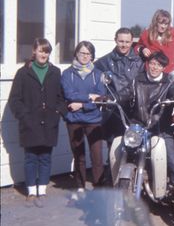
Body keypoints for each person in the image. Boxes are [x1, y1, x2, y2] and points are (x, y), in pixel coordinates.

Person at [121, 51, 174, 211]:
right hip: (139, 126)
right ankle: (120, 187)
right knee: (122, 152)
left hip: (160, 128)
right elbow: (125, 93)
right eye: (152, 63)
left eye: (159, 65)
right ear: (147, 63)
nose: (155, 67)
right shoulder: (138, 79)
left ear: (164, 67)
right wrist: (111, 98)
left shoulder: (168, 82)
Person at [8, 38, 66, 207]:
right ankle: (31, 192)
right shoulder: (23, 73)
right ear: (34, 51)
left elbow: (60, 98)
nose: (43, 54)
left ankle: (42, 191)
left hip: (49, 123)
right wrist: (24, 116)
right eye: (41, 51)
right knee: (31, 158)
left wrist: (57, 112)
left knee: (46, 158)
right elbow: (15, 100)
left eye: (46, 51)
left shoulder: (55, 72)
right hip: (30, 124)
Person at [61, 41, 107, 201]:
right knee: (79, 155)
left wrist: (81, 104)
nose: (85, 56)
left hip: (94, 119)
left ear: (92, 56)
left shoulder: (98, 74)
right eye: (82, 53)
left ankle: (99, 188)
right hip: (74, 120)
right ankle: (80, 186)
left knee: (97, 157)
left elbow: (101, 97)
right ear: (76, 54)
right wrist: (89, 97)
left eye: (88, 54)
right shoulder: (67, 74)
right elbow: (69, 95)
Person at [95, 27, 144, 144]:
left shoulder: (139, 62)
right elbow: (92, 81)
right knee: (113, 148)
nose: (124, 45)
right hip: (113, 112)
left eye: (127, 42)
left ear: (132, 42)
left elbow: (143, 86)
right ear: (115, 40)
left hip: (133, 111)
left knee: (134, 147)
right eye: (121, 41)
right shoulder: (103, 62)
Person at [135, 9, 174, 75]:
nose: (163, 26)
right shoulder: (146, 34)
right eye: (161, 23)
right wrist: (142, 49)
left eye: (166, 24)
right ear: (155, 22)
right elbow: (137, 47)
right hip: (152, 72)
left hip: (170, 71)